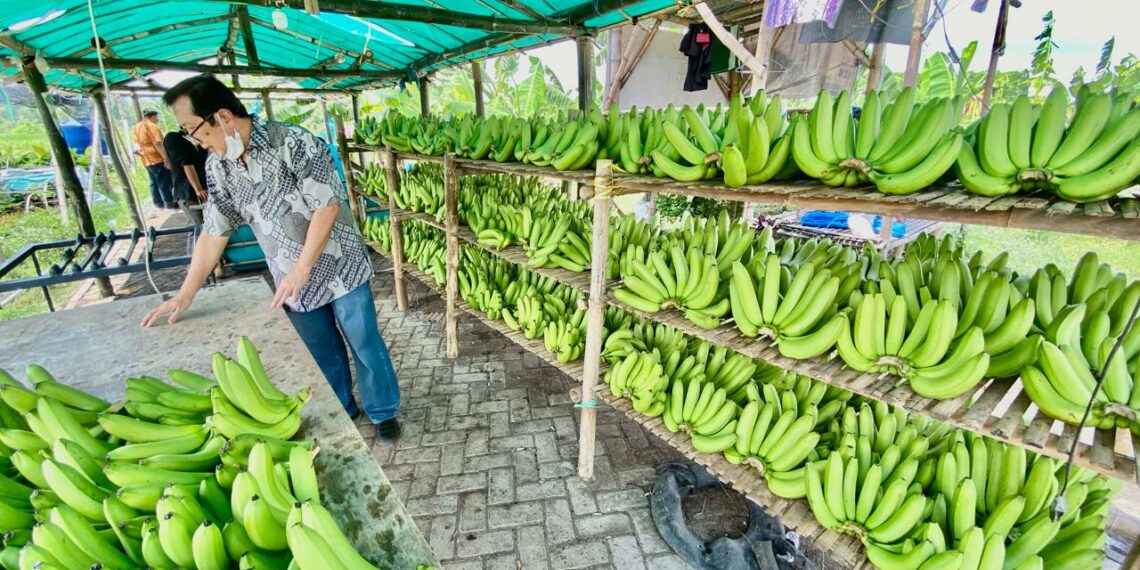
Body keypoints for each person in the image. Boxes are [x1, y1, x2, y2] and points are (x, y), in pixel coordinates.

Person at [140, 74, 402, 439]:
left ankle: (382, 411)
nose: (195, 141)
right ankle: (343, 407)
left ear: (223, 117)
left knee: (363, 341)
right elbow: (215, 229)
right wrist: (185, 294)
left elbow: (326, 206)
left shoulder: (293, 142)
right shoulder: (218, 167)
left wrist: (302, 267)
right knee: (321, 351)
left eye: (194, 130)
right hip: (289, 277)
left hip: (340, 265)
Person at [133, 110, 174, 210]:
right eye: (156, 117)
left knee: (154, 181)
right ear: (153, 116)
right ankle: (169, 202)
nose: (157, 119)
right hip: (157, 157)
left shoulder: (136, 127)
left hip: (146, 160)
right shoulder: (152, 126)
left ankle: (158, 203)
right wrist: (166, 157)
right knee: (164, 181)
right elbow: (158, 143)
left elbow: (136, 144)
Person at [163, 129, 209, 205]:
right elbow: (187, 164)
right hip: (188, 192)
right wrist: (198, 189)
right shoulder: (174, 138)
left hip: (204, 188)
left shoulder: (199, 141)